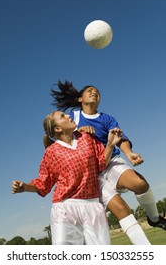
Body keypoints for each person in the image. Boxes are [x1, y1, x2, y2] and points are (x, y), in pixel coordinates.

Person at [48, 80, 166, 244]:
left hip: (110, 162)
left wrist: (129, 153)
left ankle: (154, 218)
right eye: (89, 90)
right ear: (80, 99)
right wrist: (78, 130)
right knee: (122, 210)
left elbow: (120, 138)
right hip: (90, 175)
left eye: (97, 91)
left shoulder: (107, 119)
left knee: (139, 184)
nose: (94, 92)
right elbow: (49, 138)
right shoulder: (72, 118)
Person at [12, 110, 123, 245]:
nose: (69, 116)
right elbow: (43, 183)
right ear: (57, 128)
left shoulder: (87, 138)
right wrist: (24, 187)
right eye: (63, 116)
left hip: (93, 206)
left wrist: (110, 144)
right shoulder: (51, 152)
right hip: (65, 208)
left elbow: (101, 165)